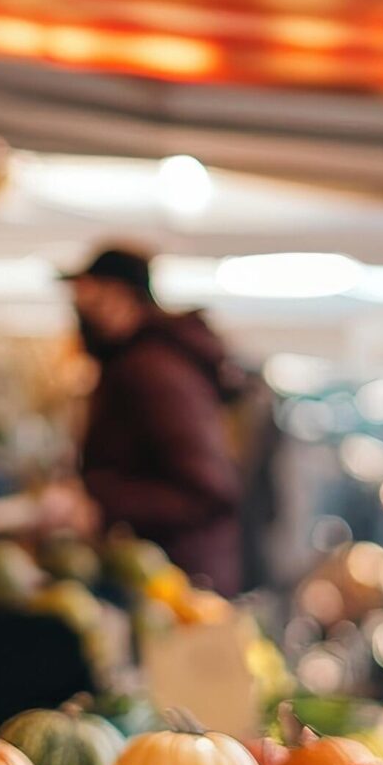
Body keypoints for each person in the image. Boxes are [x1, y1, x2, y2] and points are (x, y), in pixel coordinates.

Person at [65, 245, 248, 594]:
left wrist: (101, 504)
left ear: (117, 295)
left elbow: (208, 489)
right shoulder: (143, 363)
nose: (78, 311)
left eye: (87, 296)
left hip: (178, 581)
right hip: (166, 576)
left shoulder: (152, 371)